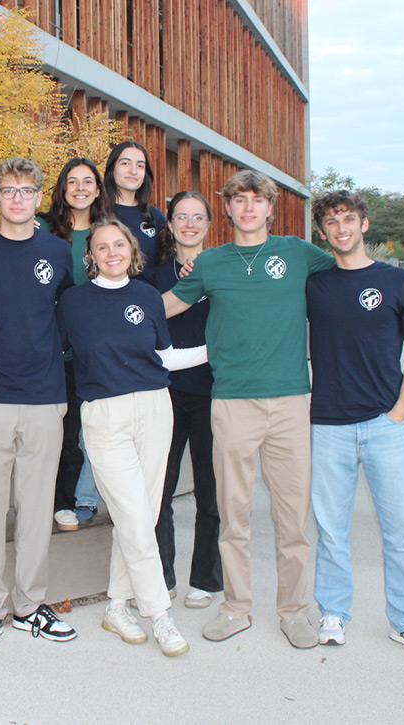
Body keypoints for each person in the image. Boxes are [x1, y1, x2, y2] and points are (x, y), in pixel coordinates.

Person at [163, 170, 404, 650]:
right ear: (227, 209)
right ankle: (236, 608)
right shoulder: (210, 263)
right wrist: (111, 308)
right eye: (239, 200)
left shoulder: (297, 253)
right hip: (231, 402)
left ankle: (293, 612)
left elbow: (355, 265)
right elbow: (164, 307)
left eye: (257, 200)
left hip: (292, 403)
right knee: (233, 515)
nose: (248, 208)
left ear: (271, 208)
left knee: (293, 520)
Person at [57, 219, 207, 657]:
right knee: (136, 517)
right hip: (105, 415)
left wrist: (216, 350)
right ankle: (160, 614)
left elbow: (164, 358)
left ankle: (117, 606)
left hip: (155, 408)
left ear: (132, 250)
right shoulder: (73, 302)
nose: (112, 253)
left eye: (119, 245)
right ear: (91, 256)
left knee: (141, 514)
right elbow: (50, 352)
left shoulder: (147, 297)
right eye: (102, 247)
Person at [0, 157, 78, 652]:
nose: (17, 198)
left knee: (36, 507)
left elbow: (67, 313)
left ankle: (30, 605)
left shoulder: (58, 252)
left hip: (44, 397)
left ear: (40, 197)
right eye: (8, 190)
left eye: (26, 190)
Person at [306, 191, 404, 656]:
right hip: (329, 425)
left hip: (386, 426)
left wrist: (400, 411)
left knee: (400, 533)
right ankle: (333, 612)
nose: (340, 229)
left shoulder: (397, 282)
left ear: (364, 224)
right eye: (331, 222)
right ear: (322, 232)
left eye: (348, 219)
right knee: (331, 530)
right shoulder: (313, 284)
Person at [148, 191, 224, 610]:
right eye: (181, 216)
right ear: (171, 224)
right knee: (160, 490)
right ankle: (163, 576)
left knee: (210, 492)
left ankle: (206, 579)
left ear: (209, 224)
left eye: (198, 217)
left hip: (214, 392)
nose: (189, 224)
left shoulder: (224, 269)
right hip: (166, 392)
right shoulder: (155, 275)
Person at [38, 157, 112, 531]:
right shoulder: (43, 229)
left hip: (95, 347)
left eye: (87, 181)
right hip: (51, 346)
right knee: (61, 430)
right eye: (72, 181)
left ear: (98, 189)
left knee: (89, 430)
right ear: (62, 188)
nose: (80, 188)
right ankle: (60, 500)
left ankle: (84, 496)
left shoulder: (107, 233)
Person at [103, 141, 166, 268]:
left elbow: (167, 262)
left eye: (140, 166)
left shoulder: (156, 217)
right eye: (125, 163)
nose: (133, 171)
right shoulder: (96, 212)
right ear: (112, 168)